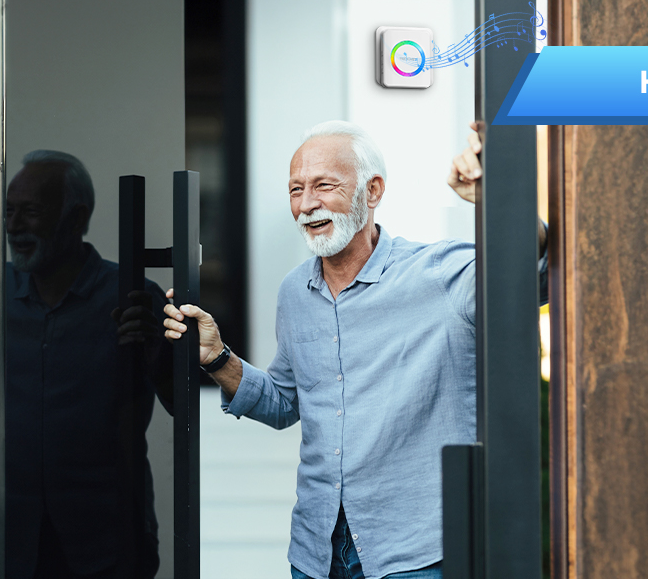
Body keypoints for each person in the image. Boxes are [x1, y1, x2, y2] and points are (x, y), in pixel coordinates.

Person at [162, 121, 545, 579]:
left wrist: (497, 196)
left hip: (420, 554)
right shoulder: (295, 292)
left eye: (325, 186)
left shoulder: (440, 275)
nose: (306, 205)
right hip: (317, 552)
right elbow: (284, 403)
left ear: (373, 191)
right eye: (296, 190)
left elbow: (531, 268)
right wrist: (217, 357)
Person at [3, 149, 173, 579]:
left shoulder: (133, 297)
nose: (14, 226)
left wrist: (156, 349)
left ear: (76, 219)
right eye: (9, 212)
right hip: (9, 538)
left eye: (30, 212)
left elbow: (182, 404)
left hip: (107, 539)